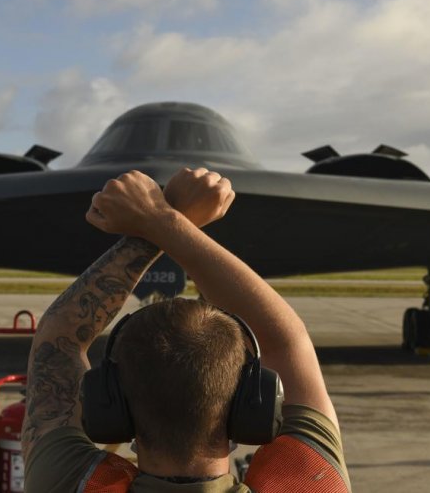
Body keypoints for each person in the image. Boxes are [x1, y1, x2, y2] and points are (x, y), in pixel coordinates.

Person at [22, 168, 351, 492]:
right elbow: (284, 340)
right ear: (251, 402)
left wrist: (154, 222)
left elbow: (59, 340)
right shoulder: (310, 483)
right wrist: (164, 220)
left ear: (109, 404)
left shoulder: (69, 482)